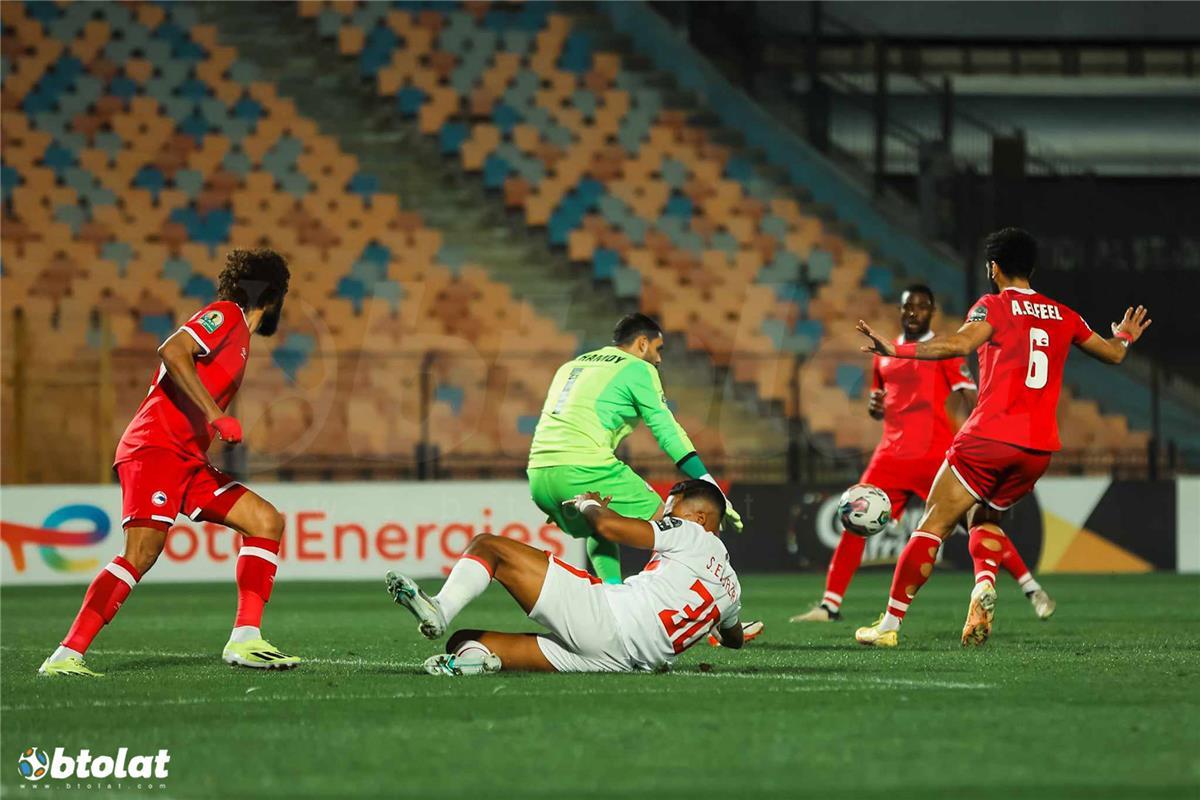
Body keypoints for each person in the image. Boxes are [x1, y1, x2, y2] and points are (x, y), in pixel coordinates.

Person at [852, 228, 1151, 647]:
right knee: (986, 519)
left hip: (989, 438)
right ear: (1033, 267)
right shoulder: (1064, 314)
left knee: (933, 523)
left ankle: (889, 625)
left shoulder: (992, 305)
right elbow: (1115, 354)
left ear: (993, 268)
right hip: (1038, 450)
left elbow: (956, 346)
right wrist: (1123, 335)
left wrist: (895, 350)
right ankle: (984, 584)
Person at [38, 249, 299, 676]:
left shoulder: (242, 339)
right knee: (141, 552)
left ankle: (246, 639)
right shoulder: (226, 315)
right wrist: (215, 416)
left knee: (266, 521)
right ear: (273, 298)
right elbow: (172, 350)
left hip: (187, 460)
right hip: (155, 448)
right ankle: (66, 655)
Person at [791, 285, 1054, 624]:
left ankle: (1030, 587)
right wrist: (875, 407)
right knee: (853, 520)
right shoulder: (887, 353)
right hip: (889, 457)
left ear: (932, 312)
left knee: (977, 521)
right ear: (900, 311)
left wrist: (982, 438)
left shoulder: (943, 352)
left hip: (935, 456)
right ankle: (830, 605)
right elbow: (880, 402)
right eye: (907, 307)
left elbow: (972, 397)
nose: (913, 312)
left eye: (921, 307)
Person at [385, 480, 757, 675]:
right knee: (464, 642)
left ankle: (440, 609)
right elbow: (735, 639)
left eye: (672, 509)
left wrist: (588, 503)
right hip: (619, 663)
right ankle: (477, 662)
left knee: (488, 547)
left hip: (606, 619)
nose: (664, 514)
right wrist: (720, 626)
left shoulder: (691, 533)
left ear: (701, 519)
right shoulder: (732, 589)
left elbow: (609, 528)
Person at [527, 313, 742, 585]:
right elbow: (668, 432)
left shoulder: (572, 365)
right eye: (658, 349)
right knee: (676, 526)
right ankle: (710, 612)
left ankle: (614, 602)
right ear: (642, 344)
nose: (660, 359)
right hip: (584, 468)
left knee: (600, 525)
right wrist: (709, 484)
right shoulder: (638, 368)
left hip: (539, 476)